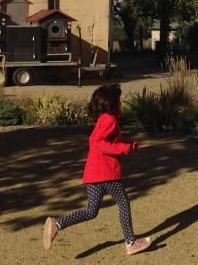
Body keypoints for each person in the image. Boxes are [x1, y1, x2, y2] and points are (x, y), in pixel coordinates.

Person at [42, 83, 152, 255]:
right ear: (112, 103)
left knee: (91, 211)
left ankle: (57, 224)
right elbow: (98, 143)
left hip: (93, 174)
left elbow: (103, 141)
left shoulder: (103, 119)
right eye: (119, 100)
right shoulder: (110, 120)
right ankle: (130, 242)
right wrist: (123, 148)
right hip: (107, 173)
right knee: (123, 203)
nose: (121, 103)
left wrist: (127, 144)